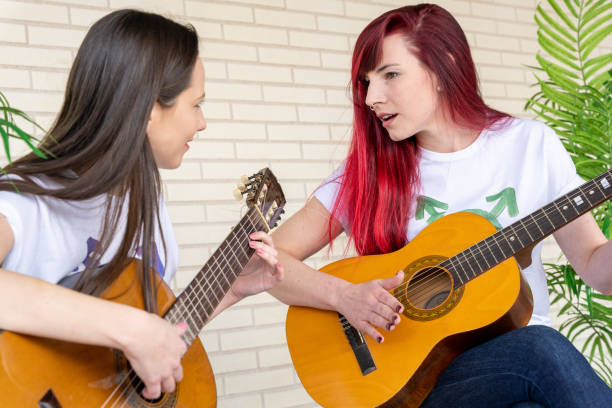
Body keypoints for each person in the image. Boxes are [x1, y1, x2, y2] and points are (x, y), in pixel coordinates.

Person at [264, 4, 612, 407]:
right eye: (366, 81)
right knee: (541, 348)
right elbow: (268, 260)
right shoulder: (368, 170)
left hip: (520, 374)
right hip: (423, 379)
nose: (372, 97)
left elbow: (597, 268)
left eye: (390, 74)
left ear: (443, 66)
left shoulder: (530, 145)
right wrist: (343, 296)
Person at [0, 9, 283, 401]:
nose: (201, 123)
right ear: (151, 107)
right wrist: (129, 327)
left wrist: (230, 289)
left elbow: (148, 347)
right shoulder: (28, 200)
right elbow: (136, 332)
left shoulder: (145, 206)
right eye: (196, 103)